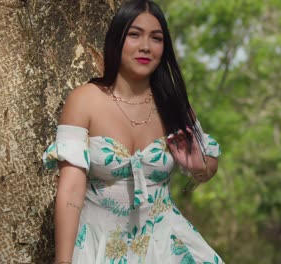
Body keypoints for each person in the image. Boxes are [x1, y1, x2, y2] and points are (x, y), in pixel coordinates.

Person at [43, 0, 223, 263]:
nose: (145, 47)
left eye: (156, 38)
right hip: (99, 243)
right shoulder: (84, 100)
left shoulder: (174, 104)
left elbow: (207, 167)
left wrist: (198, 166)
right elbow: (70, 189)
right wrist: (63, 260)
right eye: (134, 34)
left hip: (164, 244)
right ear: (117, 39)